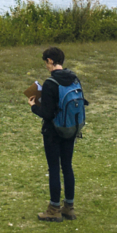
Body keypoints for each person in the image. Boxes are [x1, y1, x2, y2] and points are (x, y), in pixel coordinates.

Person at [29, 47, 86, 222]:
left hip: (53, 131)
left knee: (54, 168)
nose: (46, 66)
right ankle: (69, 207)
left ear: (51, 61)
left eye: (46, 62)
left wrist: (33, 106)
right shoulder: (73, 78)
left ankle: (54, 209)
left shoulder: (50, 83)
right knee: (67, 166)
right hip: (70, 128)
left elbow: (47, 113)